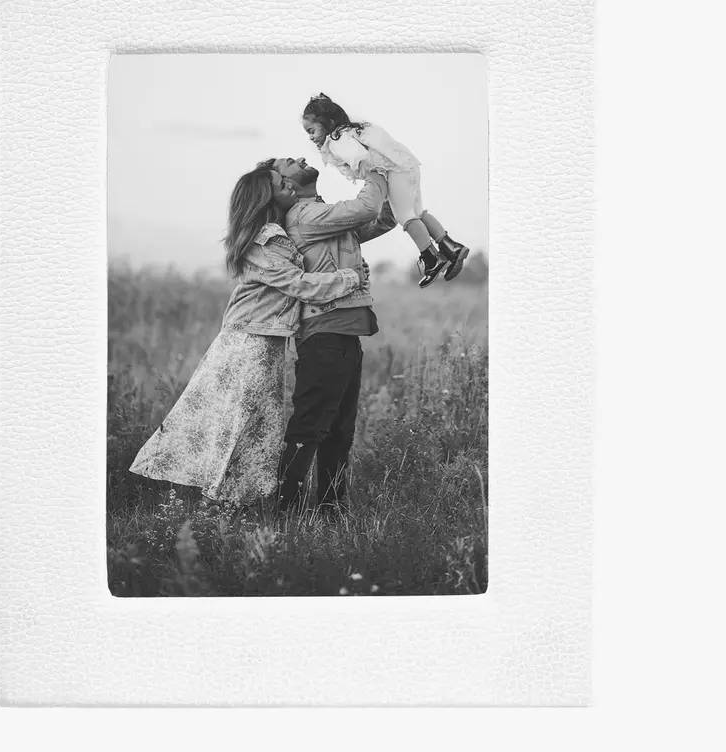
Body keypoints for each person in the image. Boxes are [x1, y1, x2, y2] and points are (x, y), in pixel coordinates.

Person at [128, 161, 368, 507]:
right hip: (248, 340)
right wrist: (351, 277)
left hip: (264, 340)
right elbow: (298, 284)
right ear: (265, 197)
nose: (289, 186)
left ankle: (238, 497)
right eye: (281, 184)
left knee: (254, 423)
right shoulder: (264, 240)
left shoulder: (282, 231)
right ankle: (221, 496)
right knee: (236, 419)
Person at [269, 156, 397, 516]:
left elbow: (382, 217)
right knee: (309, 427)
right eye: (287, 165)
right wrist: (375, 163)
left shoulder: (324, 216)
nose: (299, 158)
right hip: (325, 331)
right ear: (287, 186)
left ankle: (331, 509)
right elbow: (367, 206)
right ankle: (287, 513)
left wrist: (402, 184)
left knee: (339, 431)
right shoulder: (305, 216)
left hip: (343, 332)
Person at [301, 92, 470, 288]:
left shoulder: (336, 140)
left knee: (405, 216)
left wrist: (369, 178)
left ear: (328, 123)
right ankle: (451, 247)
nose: (311, 137)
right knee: (418, 212)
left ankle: (431, 257)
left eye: (311, 130)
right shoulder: (355, 130)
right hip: (407, 164)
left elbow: (358, 157)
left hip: (393, 171)